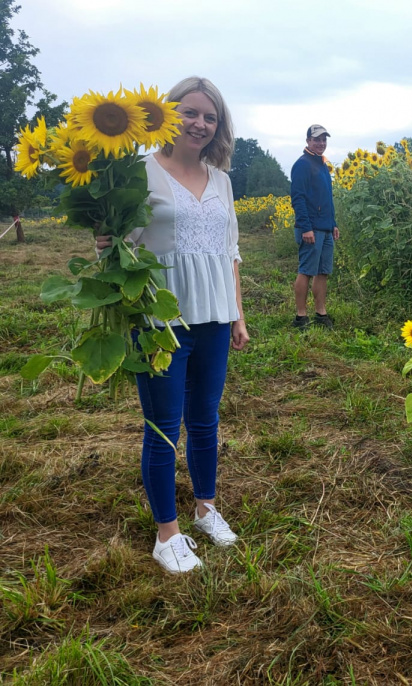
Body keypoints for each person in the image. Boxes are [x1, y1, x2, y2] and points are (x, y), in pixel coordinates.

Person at [96, 76, 248, 573]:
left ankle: (205, 508)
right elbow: (116, 248)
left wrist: (238, 316)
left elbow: (231, 255)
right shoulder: (138, 173)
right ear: (167, 114)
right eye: (190, 112)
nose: (200, 123)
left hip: (215, 319)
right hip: (160, 320)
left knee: (205, 420)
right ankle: (167, 534)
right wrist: (105, 240)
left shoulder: (222, 180)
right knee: (163, 428)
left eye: (211, 116)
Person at [291, 124, 339, 330]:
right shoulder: (302, 164)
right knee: (307, 271)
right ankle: (301, 317)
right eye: (316, 139)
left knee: (323, 272)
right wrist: (305, 227)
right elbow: (298, 198)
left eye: (324, 140)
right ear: (308, 141)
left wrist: (333, 224)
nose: (321, 143)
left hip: (325, 228)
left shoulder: (321, 164)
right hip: (311, 228)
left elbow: (326, 198)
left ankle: (321, 313)